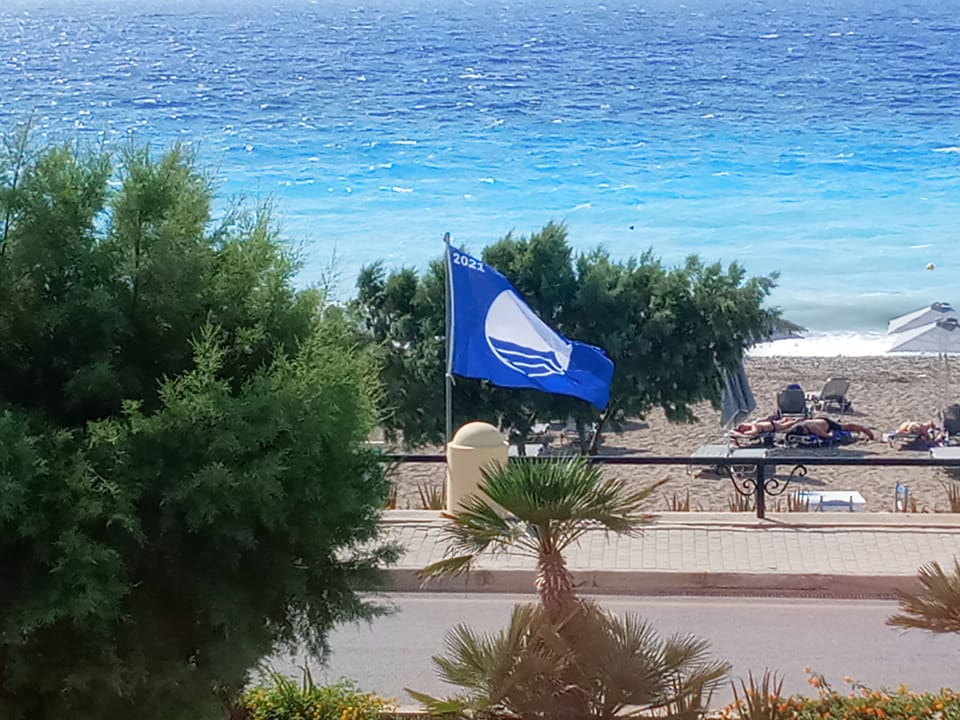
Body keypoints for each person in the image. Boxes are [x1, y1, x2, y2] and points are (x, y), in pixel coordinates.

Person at [786, 416, 874, 441]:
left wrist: (831, 433)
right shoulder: (795, 428)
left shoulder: (813, 428)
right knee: (844, 427)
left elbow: (828, 436)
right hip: (817, 420)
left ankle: (864, 429)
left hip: (826, 423)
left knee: (844, 427)